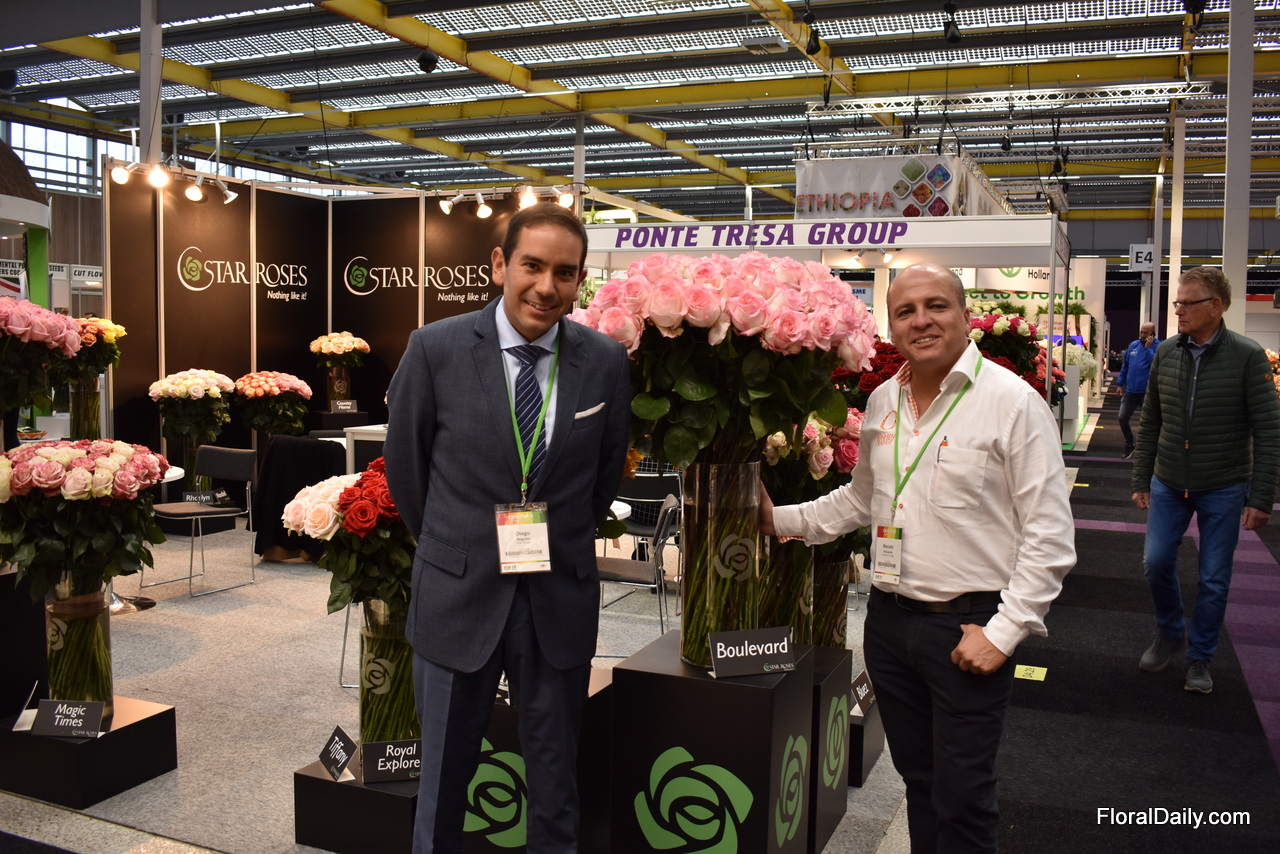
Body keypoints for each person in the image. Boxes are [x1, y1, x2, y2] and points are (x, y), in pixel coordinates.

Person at [760, 263, 1075, 852]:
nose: (921, 321)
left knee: (964, 798)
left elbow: (1050, 535)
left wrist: (1005, 632)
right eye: (905, 311)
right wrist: (776, 519)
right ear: (891, 324)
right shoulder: (883, 400)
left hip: (967, 628)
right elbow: (860, 500)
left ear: (964, 315)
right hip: (889, 623)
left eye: (936, 305)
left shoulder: (1012, 403)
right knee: (920, 782)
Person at [384, 203, 631, 853]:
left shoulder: (605, 361)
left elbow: (603, 478)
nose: (546, 287)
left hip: (557, 599)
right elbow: (407, 473)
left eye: (564, 273)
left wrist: (562, 538)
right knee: (442, 786)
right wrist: (456, 547)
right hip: (457, 594)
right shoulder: (435, 349)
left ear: (580, 280)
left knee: (555, 787)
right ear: (499, 265)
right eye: (532, 266)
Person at [1130, 267, 1280, 694]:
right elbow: (1152, 420)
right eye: (1176, 302)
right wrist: (1142, 476)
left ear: (1215, 306)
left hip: (1224, 484)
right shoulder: (1166, 352)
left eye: (1186, 303)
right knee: (1156, 561)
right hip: (1168, 480)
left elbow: (1268, 431)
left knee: (1214, 578)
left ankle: (1200, 657)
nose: (1178, 310)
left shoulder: (1247, 356)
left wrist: (1261, 497)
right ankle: (1170, 631)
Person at [1116, 321, 1158, 458]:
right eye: (1141, 331)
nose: (1143, 334)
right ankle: (1129, 443)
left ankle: (1148, 449)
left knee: (1149, 422)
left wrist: (1148, 349)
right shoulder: (1133, 345)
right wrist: (1120, 384)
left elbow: (1155, 365)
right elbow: (1125, 366)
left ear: (1153, 334)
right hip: (1130, 391)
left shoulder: (1158, 346)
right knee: (1122, 417)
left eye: (1146, 332)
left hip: (1147, 392)